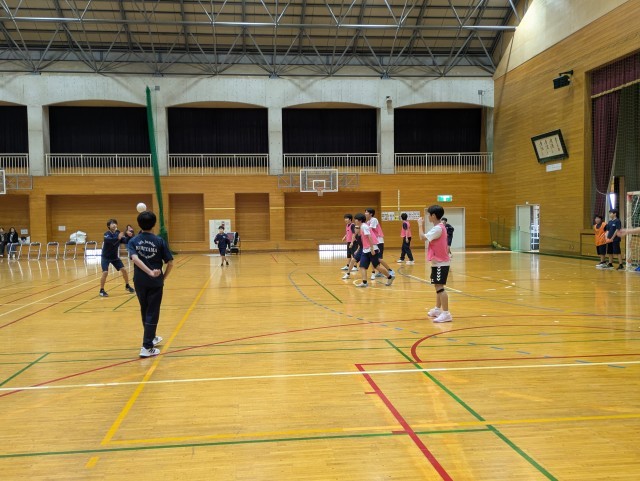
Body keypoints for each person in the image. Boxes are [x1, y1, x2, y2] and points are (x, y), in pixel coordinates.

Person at [127, 210, 174, 358]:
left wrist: (148, 272)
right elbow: (170, 263)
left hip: (139, 281)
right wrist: (160, 277)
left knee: (145, 309)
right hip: (155, 282)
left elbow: (135, 258)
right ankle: (147, 347)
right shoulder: (159, 241)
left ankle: (151, 337)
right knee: (152, 312)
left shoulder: (133, 241)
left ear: (138, 224)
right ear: (154, 224)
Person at [418, 205, 452, 323]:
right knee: (437, 285)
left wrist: (420, 225)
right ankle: (438, 309)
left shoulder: (438, 228)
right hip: (437, 262)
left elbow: (422, 238)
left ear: (433, 215)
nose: (428, 216)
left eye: (429, 214)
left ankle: (446, 313)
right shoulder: (439, 227)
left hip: (441, 263)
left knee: (440, 287)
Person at [353, 213, 394, 288]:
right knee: (362, 266)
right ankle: (364, 282)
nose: (355, 221)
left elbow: (370, 237)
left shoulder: (364, 227)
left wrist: (372, 249)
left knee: (376, 266)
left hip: (372, 249)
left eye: (356, 219)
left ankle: (390, 277)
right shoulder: (362, 226)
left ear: (360, 220)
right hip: (365, 250)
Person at [99, 218, 135, 297]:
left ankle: (127, 286)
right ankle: (101, 290)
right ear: (109, 226)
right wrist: (118, 237)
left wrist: (129, 236)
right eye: (112, 223)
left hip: (114, 257)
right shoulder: (106, 234)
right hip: (105, 257)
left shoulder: (118, 233)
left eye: (115, 223)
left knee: (124, 270)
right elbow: (110, 241)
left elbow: (125, 241)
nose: (114, 224)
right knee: (105, 272)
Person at [364, 208, 394, 280]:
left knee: (378, 258)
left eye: (367, 212)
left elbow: (370, 229)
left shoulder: (374, 220)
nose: (365, 213)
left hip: (379, 241)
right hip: (374, 242)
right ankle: (379, 272)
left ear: (371, 214)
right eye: (365, 212)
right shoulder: (368, 222)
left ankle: (390, 270)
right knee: (374, 258)